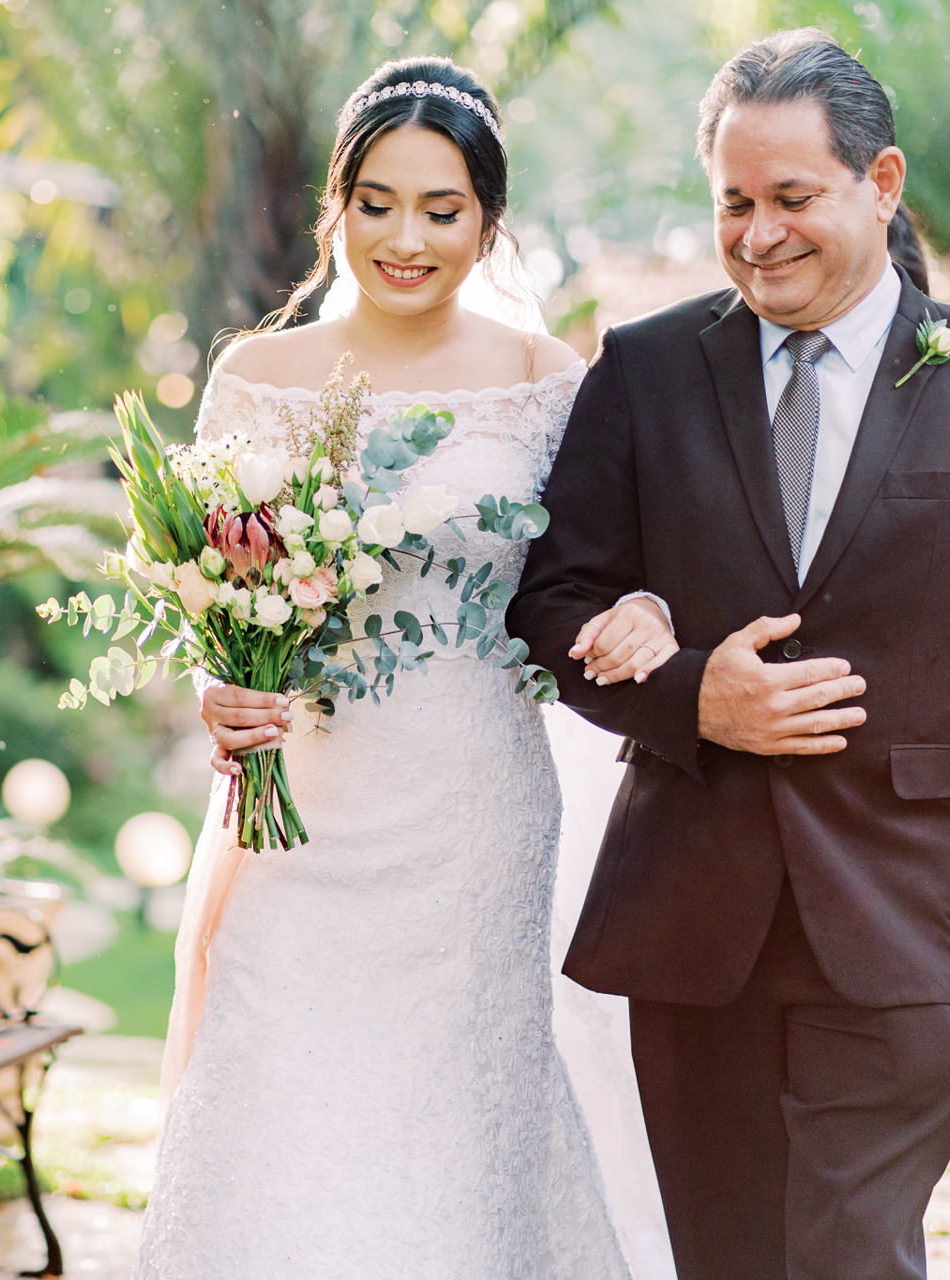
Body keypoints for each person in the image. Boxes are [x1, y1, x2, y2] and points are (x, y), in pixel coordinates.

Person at [507, 28, 950, 1280]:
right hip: (690, 927)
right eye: (735, 201)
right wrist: (689, 695)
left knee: (852, 1258)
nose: (759, 232)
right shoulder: (647, 368)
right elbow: (549, 599)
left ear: (879, 186)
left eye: (792, 198)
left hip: (902, 923)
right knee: (725, 1261)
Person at [141, 56, 677, 1279]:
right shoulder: (256, 378)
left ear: (489, 221)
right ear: (337, 206)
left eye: (444, 209)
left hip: (474, 807)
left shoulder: (547, 381)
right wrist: (222, 685)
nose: (408, 237)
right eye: (378, 202)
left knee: (455, 1114)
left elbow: (610, 566)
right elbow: (209, 588)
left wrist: (642, 604)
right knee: (282, 1090)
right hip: (303, 816)